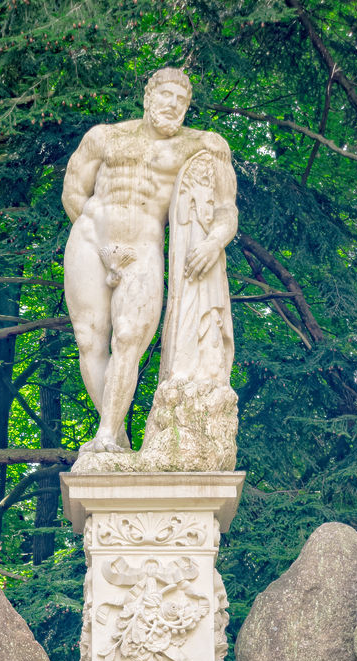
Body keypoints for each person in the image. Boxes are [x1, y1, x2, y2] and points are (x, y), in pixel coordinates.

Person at [62, 67, 238, 455]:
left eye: (182, 100)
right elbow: (73, 192)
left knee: (128, 337)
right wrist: (102, 239)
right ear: (148, 97)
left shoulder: (202, 146)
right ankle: (115, 431)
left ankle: (107, 434)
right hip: (91, 243)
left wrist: (213, 242)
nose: (173, 104)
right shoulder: (105, 137)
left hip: (143, 249)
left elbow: (227, 210)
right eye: (167, 95)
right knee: (89, 340)